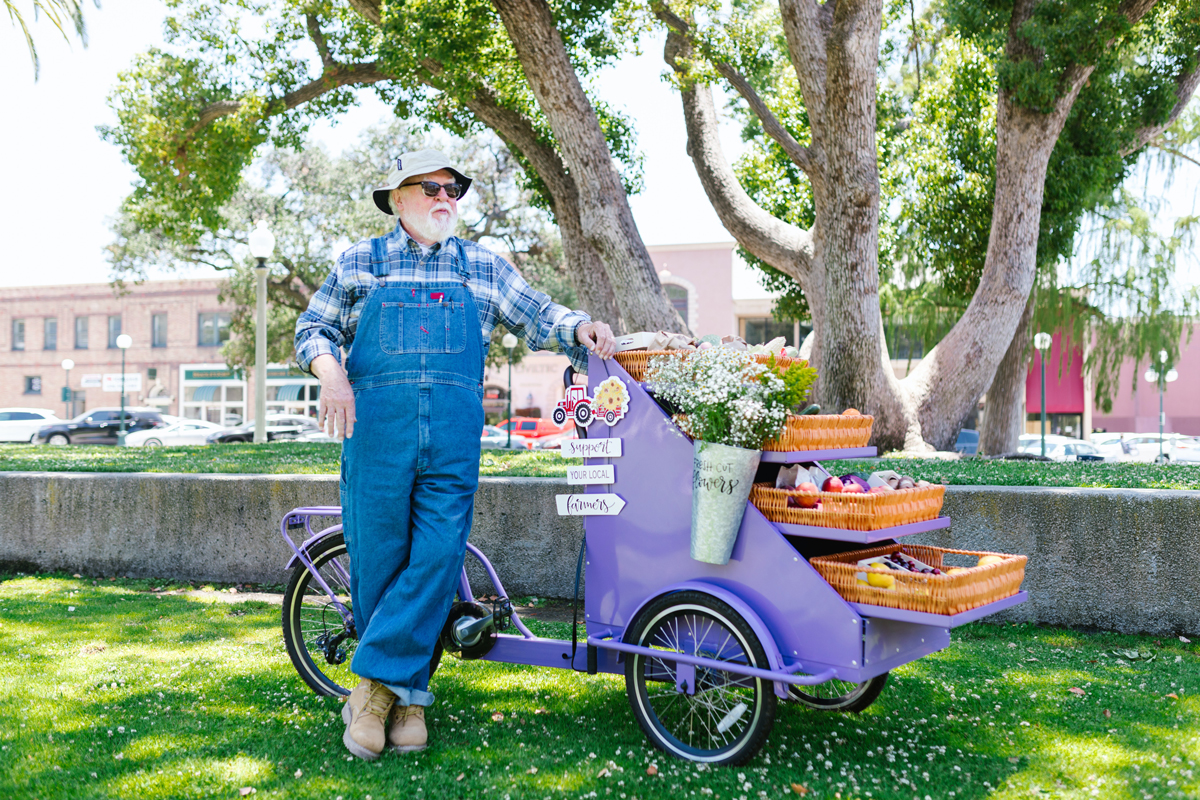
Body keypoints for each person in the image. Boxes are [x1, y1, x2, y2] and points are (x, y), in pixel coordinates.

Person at [294, 149, 616, 760]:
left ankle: (372, 691)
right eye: (433, 187)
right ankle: (409, 697)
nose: (447, 198)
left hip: (452, 438)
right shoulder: (360, 262)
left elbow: (541, 315)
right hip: (375, 435)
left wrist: (579, 328)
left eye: (456, 189)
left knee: (439, 555)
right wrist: (331, 374)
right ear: (397, 198)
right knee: (379, 560)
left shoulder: (484, 268)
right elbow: (314, 328)